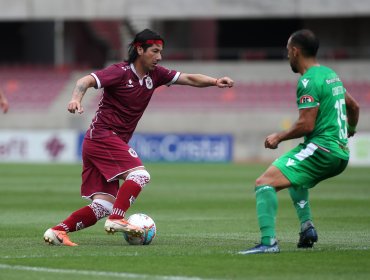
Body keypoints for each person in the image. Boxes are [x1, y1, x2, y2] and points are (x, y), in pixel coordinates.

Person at [43, 28, 234, 246]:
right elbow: (84, 81)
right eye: (154, 51)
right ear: (139, 49)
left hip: (101, 141)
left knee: (103, 206)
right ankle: (116, 219)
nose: (159, 57)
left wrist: (215, 81)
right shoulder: (120, 72)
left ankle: (58, 231)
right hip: (102, 136)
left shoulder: (157, 74)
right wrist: (76, 99)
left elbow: (189, 78)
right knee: (140, 175)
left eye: (160, 51)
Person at [239, 29, 360, 254]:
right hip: (340, 152)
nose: (287, 57)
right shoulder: (330, 74)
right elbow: (354, 106)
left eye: (287, 51)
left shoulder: (308, 81)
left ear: (295, 51)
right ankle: (307, 228)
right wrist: (350, 129)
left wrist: (278, 136)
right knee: (296, 178)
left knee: (263, 183)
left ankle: (268, 243)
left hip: (322, 149)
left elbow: (307, 125)